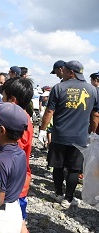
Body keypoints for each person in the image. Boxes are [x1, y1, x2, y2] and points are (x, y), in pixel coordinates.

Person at [39, 60, 99, 208]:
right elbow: (95, 115)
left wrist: (42, 129)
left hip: (59, 135)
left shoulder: (58, 88)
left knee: (58, 166)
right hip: (80, 137)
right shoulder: (93, 90)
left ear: (71, 72)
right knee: (74, 168)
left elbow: (49, 111)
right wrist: (91, 132)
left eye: (64, 71)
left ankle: (59, 193)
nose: (62, 74)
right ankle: (69, 198)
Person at [0, 102, 28, 233]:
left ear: (2, 130)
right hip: (15, 209)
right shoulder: (20, 153)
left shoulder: (0, 160)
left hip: (2, 216)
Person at [1, 77, 34, 233]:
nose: (1, 100)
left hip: (14, 185)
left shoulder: (19, 123)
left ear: (12, 100)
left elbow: (13, 155)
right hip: (18, 182)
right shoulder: (24, 117)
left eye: (3, 97)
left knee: (16, 223)